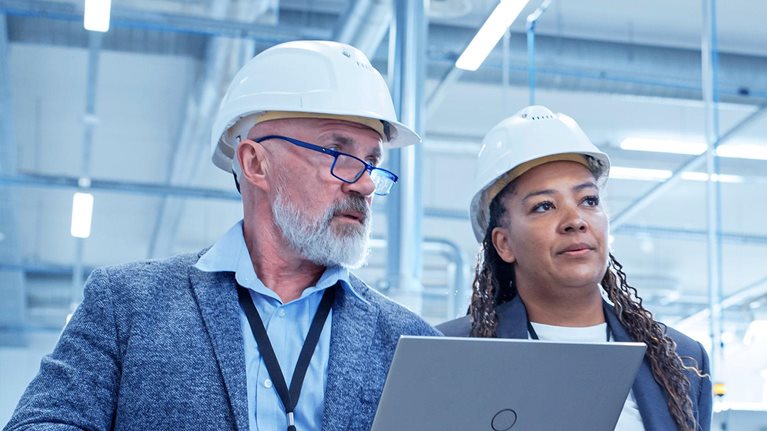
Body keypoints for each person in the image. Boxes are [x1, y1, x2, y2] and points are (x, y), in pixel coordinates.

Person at [5, 40, 438, 431]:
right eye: (340, 154)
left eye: (372, 161)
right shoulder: (128, 305)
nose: (364, 184)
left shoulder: (410, 341)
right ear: (255, 163)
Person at [438, 105, 712, 431]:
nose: (575, 221)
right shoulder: (451, 353)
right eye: (544, 206)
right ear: (504, 244)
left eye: (589, 200)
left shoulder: (680, 359)